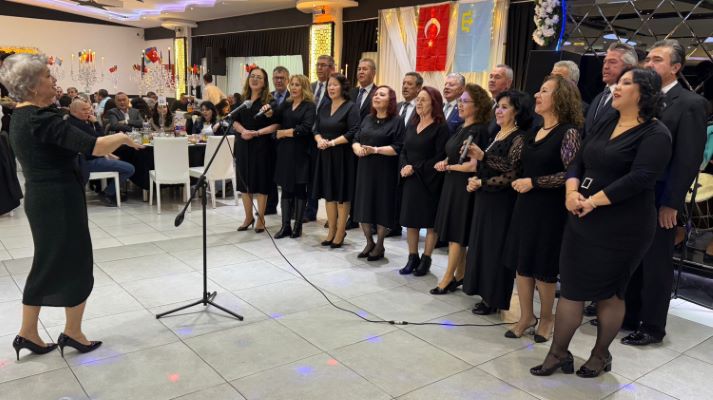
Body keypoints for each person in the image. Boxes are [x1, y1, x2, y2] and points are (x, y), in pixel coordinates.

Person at [0, 53, 143, 359]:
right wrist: (123, 137)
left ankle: (28, 333)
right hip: (59, 199)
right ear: (32, 85)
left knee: (48, 262)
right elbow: (95, 146)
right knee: (75, 263)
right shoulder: (41, 119)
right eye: (47, 76)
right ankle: (72, 333)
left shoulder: (21, 117)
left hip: (43, 198)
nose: (54, 80)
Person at [530, 68, 671, 378]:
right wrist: (571, 192)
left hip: (623, 226)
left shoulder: (656, 133)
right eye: (618, 82)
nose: (616, 87)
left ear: (644, 93)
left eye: (625, 83)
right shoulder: (608, 121)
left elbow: (640, 178)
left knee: (610, 292)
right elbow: (577, 160)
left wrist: (592, 201)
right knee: (572, 288)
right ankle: (558, 353)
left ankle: (600, 354)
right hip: (582, 218)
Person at [622, 39, 709, 347]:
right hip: (634, 193)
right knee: (632, 257)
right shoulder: (643, 99)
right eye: (647, 59)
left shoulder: (690, 103)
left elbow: (688, 159)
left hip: (661, 196)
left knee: (656, 262)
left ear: (675, 67)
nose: (648, 64)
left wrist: (671, 202)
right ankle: (628, 315)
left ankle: (652, 325)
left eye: (657, 60)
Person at [504, 76, 583, 342]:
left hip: (550, 210)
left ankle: (547, 317)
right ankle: (527, 316)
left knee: (543, 269)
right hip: (525, 206)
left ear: (560, 98)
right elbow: (514, 164)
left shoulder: (568, 132)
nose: (537, 95)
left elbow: (572, 173)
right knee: (522, 264)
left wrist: (534, 182)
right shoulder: (534, 130)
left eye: (544, 91)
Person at [583, 41, 639, 318]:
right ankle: (587, 290)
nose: (605, 66)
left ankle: (601, 297)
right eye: (605, 61)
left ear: (629, 68)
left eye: (613, 62)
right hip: (587, 181)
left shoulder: (631, 108)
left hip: (611, 186)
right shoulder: (598, 97)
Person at [464, 90, 532, 315]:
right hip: (486, 198)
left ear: (517, 111)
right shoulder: (498, 133)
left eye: (504, 107)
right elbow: (488, 166)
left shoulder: (519, 137)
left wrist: (483, 161)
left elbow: (512, 171)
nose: (498, 111)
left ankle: (493, 298)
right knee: (482, 246)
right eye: (498, 106)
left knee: (495, 249)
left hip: (502, 202)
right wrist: (476, 180)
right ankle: (483, 292)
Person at [431, 84, 492, 294]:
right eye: (460, 101)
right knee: (453, 232)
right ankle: (460, 273)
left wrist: (448, 167)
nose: (460, 105)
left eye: (465, 101)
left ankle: (448, 278)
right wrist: (445, 162)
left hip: (463, 186)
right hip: (452, 183)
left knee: (456, 234)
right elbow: (454, 154)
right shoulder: (461, 127)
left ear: (478, 106)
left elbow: (473, 165)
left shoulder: (479, 130)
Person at [398, 86, 449, 276]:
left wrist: (415, 168)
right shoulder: (412, 124)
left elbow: (440, 156)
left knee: (429, 223)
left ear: (434, 104)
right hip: (410, 180)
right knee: (411, 221)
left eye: (423, 100)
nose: (418, 103)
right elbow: (404, 149)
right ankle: (412, 257)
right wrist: (405, 165)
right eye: (417, 99)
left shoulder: (441, 127)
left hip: (429, 181)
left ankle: (426, 259)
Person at [352, 85, 405, 260]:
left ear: (390, 100)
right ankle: (369, 242)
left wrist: (375, 150)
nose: (376, 97)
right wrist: (357, 148)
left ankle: (380, 245)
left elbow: (398, 147)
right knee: (364, 207)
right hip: (365, 169)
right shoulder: (367, 118)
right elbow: (356, 138)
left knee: (382, 208)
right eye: (375, 94)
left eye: (381, 95)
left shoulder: (397, 121)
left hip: (385, 171)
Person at [312, 73, 360, 248]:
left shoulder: (351, 107)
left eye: (335, 85)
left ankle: (340, 231)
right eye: (329, 85)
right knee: (329, 195)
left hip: (342, 156)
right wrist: (319, 140)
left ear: (343, 87)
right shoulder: (324, 107)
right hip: (325, 155)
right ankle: (331, 230)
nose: (331, 88)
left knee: (341, 196)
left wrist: (332, 142)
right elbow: (315, 128)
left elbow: (353, 131)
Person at [232, 67, 279, 233]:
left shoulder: (269, 101)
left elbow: (276, 124)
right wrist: (243, 131)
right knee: (244, 183)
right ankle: (248, 217)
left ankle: (261, 218)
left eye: (259, 77)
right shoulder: (242, 100)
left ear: (264, 82)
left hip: (262, 145)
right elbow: (234, 121)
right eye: (252, 76)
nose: (255, 79)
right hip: (243, 144)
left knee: (261, 182)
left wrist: (257, 132)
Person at [270, 74, 316, 239]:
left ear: (304, 87)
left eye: (298, 85)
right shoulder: (287, 104)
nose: (294, 88)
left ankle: (297, 227)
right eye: (293, 84)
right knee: (286, 188)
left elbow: (305, 128)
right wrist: (269, 113)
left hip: (301, 152)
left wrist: (284, 133)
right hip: (285, 152)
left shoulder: (309, 106)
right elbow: (276, 117)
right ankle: (285, 226)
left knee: (299, 188)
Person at [68, 99, 135, 206]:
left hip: (87, 159)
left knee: (119, 160)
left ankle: (113, 191)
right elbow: (101, 139)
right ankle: (108, 193)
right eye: (84, 110)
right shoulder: (80, 125)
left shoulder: (75, 122)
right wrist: (96, 123)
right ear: (74, 112)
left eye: (88, 109)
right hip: (87, 162)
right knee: (129, 168)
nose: (88, 112)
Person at [388, 72, 424, 238]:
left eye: (409, 84)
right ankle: (392, 224)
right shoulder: (397, 107)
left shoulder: (421, 109)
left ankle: (406, 224)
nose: (405, 87)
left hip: (410, 157)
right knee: (392, 191)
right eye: (403, 83)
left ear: (418, 88)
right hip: (392, 155)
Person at [305, 55, 336, 223]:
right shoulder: (310, 87)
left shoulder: (335, 88)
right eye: (318, 65)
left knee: (328, 177)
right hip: (309, 138)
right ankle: (310, 211)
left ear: (332, 68)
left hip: (328, 139)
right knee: (311, 176)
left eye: (323, 65)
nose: (319, 68)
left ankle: (333, 215)